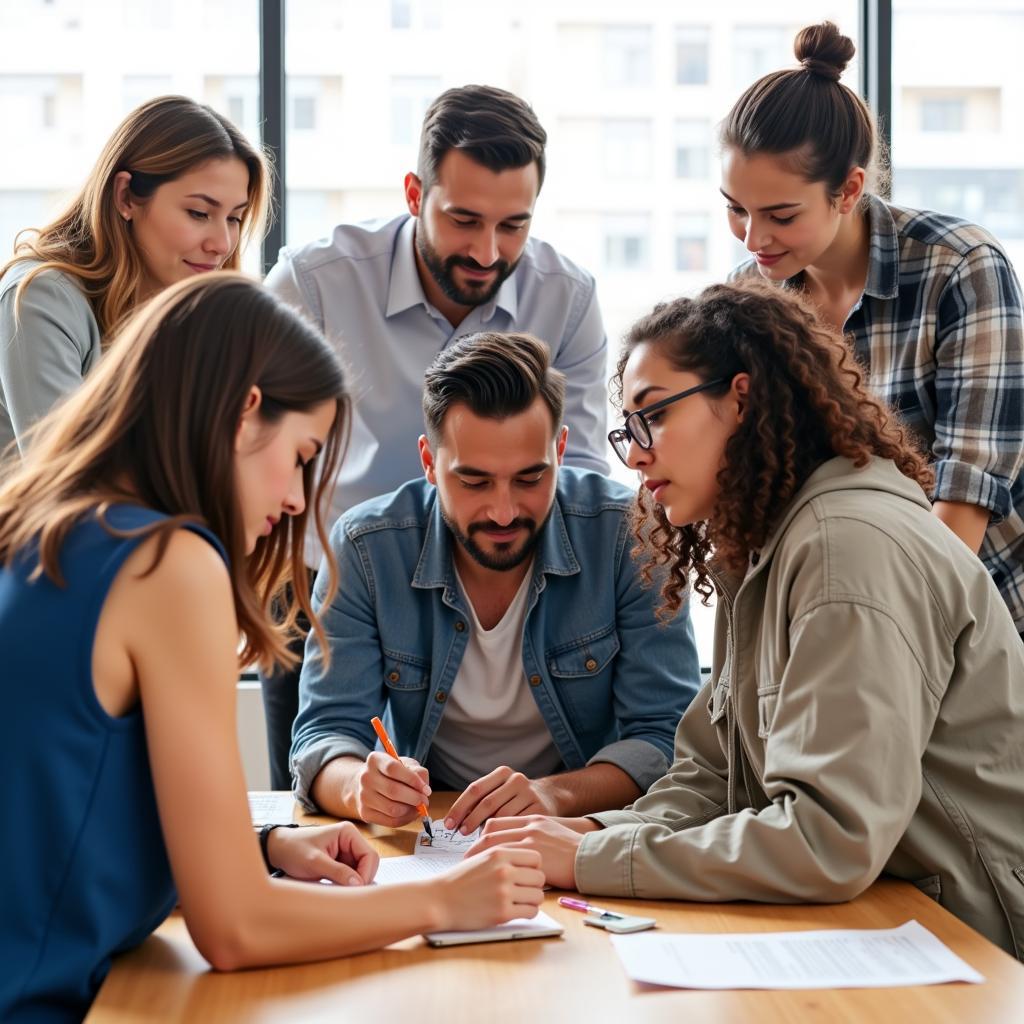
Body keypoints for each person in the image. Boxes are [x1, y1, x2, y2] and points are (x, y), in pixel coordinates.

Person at [0, 275, 544, 1023]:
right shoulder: (168, 561)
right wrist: (444, 898)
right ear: (244, 413)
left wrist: (260, 848)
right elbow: (237, 929)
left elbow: (67, 802)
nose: (296, 498)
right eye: (300, 456)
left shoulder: (46, 526)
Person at [467, 281, 1024, 959]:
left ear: (740, 397)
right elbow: (710, 779)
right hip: (885, 917)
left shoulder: (846, 546)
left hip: (968, 937)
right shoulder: (766, 548)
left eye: (654, 417)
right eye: (627, 431)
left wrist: (588, 860)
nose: (636, 455)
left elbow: (829, 840)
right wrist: (587, 832)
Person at [261, 83, 611, 788]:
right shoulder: (314, 283)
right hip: (325, 585)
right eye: (464, 220)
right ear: (415, 191)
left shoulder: (566, 298)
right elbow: (252, 448)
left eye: (514, 225)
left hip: (507, 576)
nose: (488, 251)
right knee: (322, 798)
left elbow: (583, 477)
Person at [291, 332, 700, 834]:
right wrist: (360, 787)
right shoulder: (366, 547)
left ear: (561, 450)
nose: (504, 511)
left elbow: (667, 739)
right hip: (432, 834)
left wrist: (552, 795)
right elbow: (323, 735)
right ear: (429, 464)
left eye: (530, 479)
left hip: (582, 830)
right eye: (475, 481)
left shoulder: (632, 535)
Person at [719, 22, 1024, 640]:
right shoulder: (751, 296)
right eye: (735, 207)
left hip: (979, 618)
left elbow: (964, 500)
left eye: (780, 215)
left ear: (849, 189)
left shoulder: (960, 267)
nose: (754, 240)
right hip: (844, 617)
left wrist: (873, 640)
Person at [0, 94, 270, 456]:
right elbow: (67, 480)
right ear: (126, 196)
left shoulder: (188, 313)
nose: (222, 244)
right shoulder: (40, 297)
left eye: (234, 218)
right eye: (199, 213)